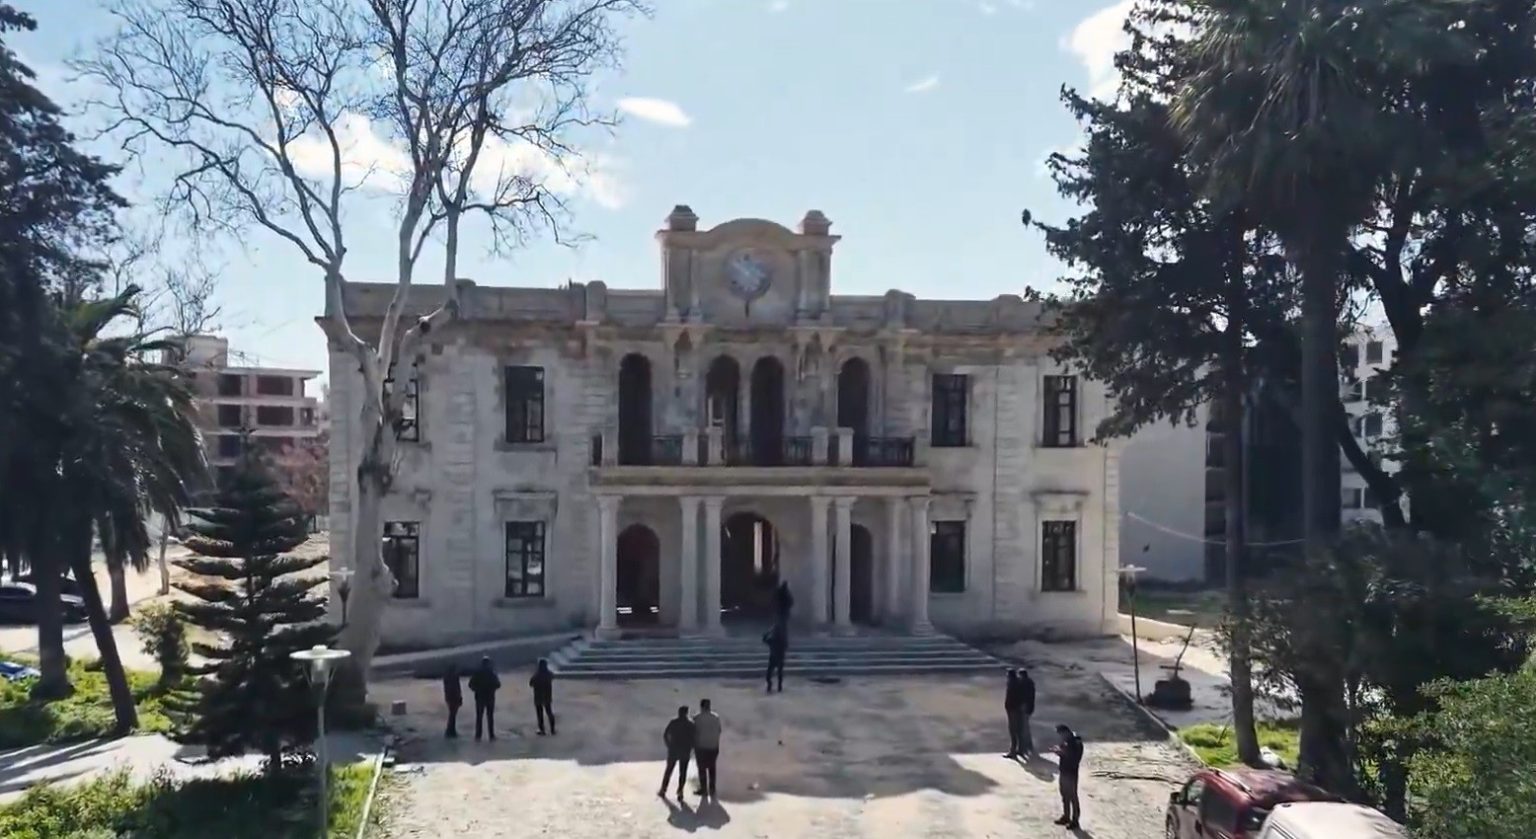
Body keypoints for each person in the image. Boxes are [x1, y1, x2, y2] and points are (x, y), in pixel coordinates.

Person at [1051, 724, 1084, 829]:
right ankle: (1066, 816)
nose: (1059, 737)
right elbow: (1064, 751)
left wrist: (1061, 752)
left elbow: (1073, 758)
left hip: (1071, 773)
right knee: (1064, 795)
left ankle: (1075, 820)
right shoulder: (1066, 740)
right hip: (1064, 771)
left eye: (1060, 734)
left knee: (1072, 796)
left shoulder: (1076, 743)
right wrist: (1059, 751)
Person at [659, 705, 695, 799]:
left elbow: (666, 734)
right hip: (685, 750)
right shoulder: (690, 724)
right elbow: (694, 738)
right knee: (683, 772)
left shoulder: (674, 722)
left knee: (669, 770)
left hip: (673, 749)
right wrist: (691, 747)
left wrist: (668, 744)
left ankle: (663, 789)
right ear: (687, 713)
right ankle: (680, 791)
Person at [693, 698, 722, 799]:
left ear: (701, 706)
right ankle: (712, 789)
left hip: (701, 746)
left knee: (702, 768)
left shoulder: (697, 718)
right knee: (712, 768)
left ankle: (703, 789)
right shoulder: (716, 717)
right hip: (713, 746)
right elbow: (719, 730)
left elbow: (694, 731)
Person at [467, 656, 501, 741]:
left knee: (479, 717)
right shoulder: (491, 673)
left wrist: (477, 690)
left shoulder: (477, 673)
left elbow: (470, 684)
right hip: (490, 698)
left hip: (480, 698)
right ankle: (491, 735)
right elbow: (498, 684)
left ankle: (478, 735)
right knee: (490, 717)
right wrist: (491, 689)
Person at [529, 658, 556, 736]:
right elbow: (553, 677)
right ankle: (552, 729)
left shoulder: (536, 675)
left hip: (538, 697)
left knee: (540, 714)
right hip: (547, 696)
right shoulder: (549, 674)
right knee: (549, 712)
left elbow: (531, 684)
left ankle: (542, 729)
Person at [763, 622, 787, 693]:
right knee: (769, 675)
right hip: (773, 658)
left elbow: (785, 646)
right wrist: (768, 632)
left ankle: (779, 687)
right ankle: (771, 685)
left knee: (779, 674)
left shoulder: (781, 640)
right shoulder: (772, 640)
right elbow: (764, 639)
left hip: (779, 658)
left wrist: (769, 632)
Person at [1018, 668, 1037, 757]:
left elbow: (1024, 696)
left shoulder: (1025, 684)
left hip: (1025, 707)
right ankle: (1029, 745)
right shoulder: (1030, 683)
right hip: (1029, 707)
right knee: (1026, 728)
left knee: (1024, 728)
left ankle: (1026, 746)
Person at [1003, 669, 1022, 757]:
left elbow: (1012, 697)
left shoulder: (1012, 685)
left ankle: (1013, 751)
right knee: (1016, 730)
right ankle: (1018, 749)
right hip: (1014, 709)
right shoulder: (1016, 684)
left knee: (1013, 730)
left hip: (1012, 709)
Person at [442, 663, 463, 739]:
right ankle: (451, 731)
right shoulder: (454, 677)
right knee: (452, 715)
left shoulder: (447, 677)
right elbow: (456, 688)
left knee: (452, 715)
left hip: (450, 698)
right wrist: (459, 697)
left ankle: (451, 730)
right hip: (453, 698)